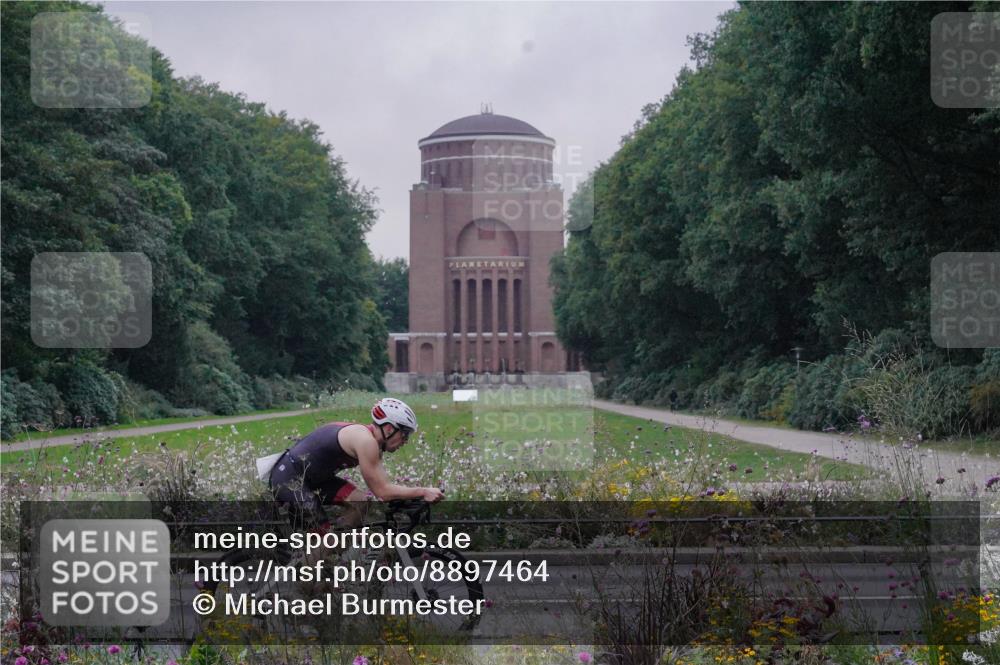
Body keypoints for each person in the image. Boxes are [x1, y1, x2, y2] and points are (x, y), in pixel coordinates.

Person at [269, 397, 443, 535]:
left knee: (361, 502)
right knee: (327, 541)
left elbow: (385, 486)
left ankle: (336, 557)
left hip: (314, 479)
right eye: (404, 434)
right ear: (389, 429)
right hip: (290, 480)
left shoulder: (372, 442)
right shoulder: (366, 441)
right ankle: (312, 574)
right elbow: (383, 492)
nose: (405, 441)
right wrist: (423, 491)